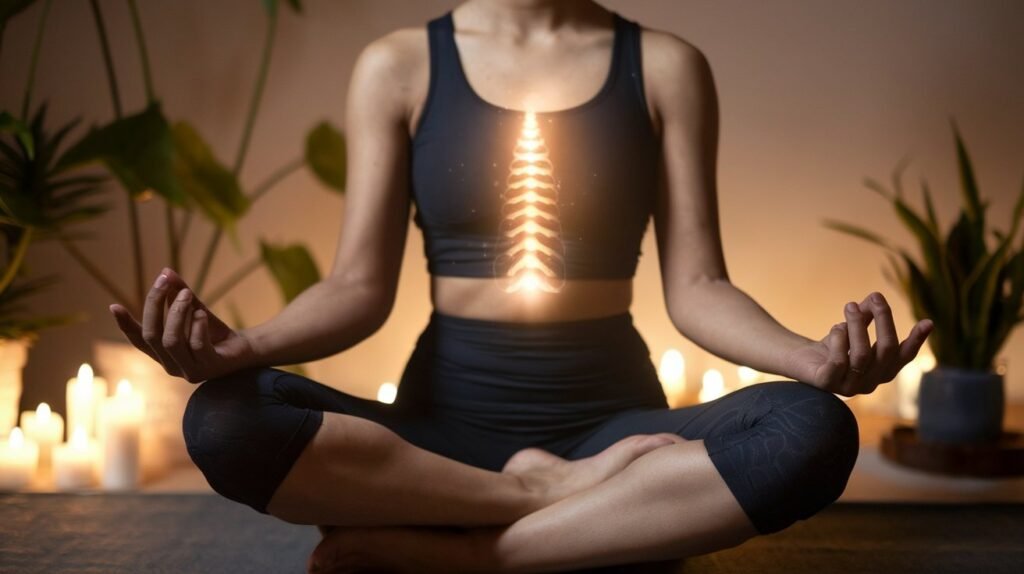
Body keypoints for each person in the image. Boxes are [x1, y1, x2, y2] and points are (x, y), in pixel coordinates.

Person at [109, 0, 934, 571]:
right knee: (224, 419)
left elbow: (699, 285)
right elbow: (359, 286)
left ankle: (471, 553)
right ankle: (558, 504)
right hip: (440, 436)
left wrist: (807, 359)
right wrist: (239, 349)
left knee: (812, 431)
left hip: (616, 428)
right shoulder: (396, 66)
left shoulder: (667, 66)